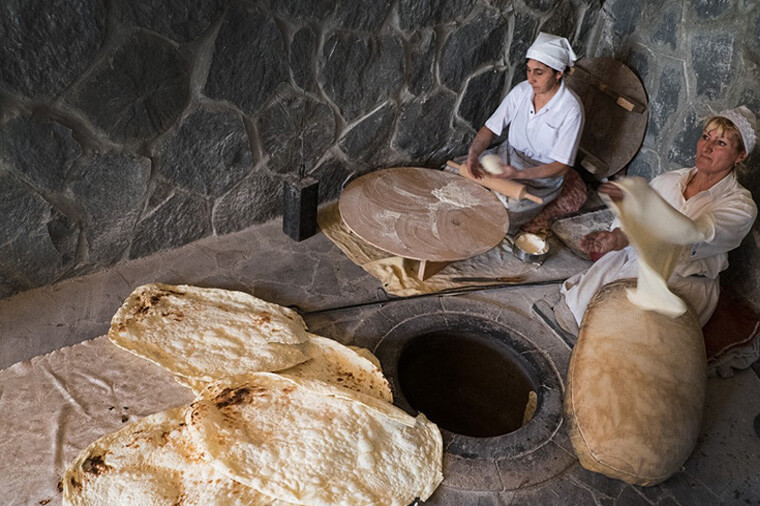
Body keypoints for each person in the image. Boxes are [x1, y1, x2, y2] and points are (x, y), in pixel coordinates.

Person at [561, 106, 758, 329]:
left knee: (623, 333)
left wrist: (644, 200)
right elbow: (633, 223)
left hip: (682, 282)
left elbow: (693, 233)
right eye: (705, 137)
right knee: (581, 309)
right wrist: (619, 236)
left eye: (721, 143)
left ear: (740, 156)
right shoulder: (669, 180)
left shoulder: (741, 206)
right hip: (637, 261)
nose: (707, 147)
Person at [465, 32, 585, 234]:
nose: (530, 78)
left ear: (558, 74)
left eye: (539, 72)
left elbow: (561, 166)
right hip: (508, 156)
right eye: (528, 70)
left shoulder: (571, 110)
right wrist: (473, 154)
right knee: (461, 178)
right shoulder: (521, 91)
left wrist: (520, 174)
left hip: (541, 175)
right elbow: (490, 128)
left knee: (506, 211)